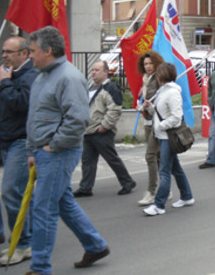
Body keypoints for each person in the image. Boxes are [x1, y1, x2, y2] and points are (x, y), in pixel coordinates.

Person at [15, 26, 109, 275]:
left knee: (43, 208)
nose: (29, 56)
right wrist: (33, 151)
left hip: (58, 152)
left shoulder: (69, 77)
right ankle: (95, 246)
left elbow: (78, 120)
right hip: (45, 153)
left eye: (32, 51)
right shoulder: (42, 76)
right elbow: (37, 116)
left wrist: (51, 147)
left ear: (48, 50)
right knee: (64, 202)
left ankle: (40, 268)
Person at [0, 37, 38, 266]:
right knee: (20, 195)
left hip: (22, 141)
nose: (4, 56)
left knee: (10, 191)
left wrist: (5, 83)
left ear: (23, 53)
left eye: (9, 52)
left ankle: (22, 244)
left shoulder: (30, 76)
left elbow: (21, 103)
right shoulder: (7, 75)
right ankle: (26, 241)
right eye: (3, 51)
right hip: (7, 139)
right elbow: (1, 104)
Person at [73, 61, 135, 198]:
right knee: (87, 160)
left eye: (97, 70)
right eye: (93, 70)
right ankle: (85, 187)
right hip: (89, 131)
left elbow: (115, 109)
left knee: (111, 158)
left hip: (101, 132)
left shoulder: (110, 88)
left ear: (105, 72)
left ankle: (127, 182)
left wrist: (105, 126)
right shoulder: (91, 88)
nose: (93, 72)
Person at [142, 63, 195, 216]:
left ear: (162, 75)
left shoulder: (172, 93)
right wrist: (150, 107)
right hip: (163, 135)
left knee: (164, 171)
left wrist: (160, 127)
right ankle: (187, 196)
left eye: (158, 74)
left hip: (167, 137)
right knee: (175, 169)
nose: (156, 77)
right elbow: (161, 113)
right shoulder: (163, 91)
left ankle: (159, 204)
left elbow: (176, 118)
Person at [135, 51, 164, 206]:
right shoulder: (145, 80)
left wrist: (148, 106)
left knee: (150, 156)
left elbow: (160, 104)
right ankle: (166, 187)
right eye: (145, 64)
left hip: (157, 122)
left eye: (150, 63)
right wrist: (141, 106)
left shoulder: (158, 79)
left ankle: (151, 191)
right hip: (147, 121)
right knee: (158, 156)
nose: (148, 66)